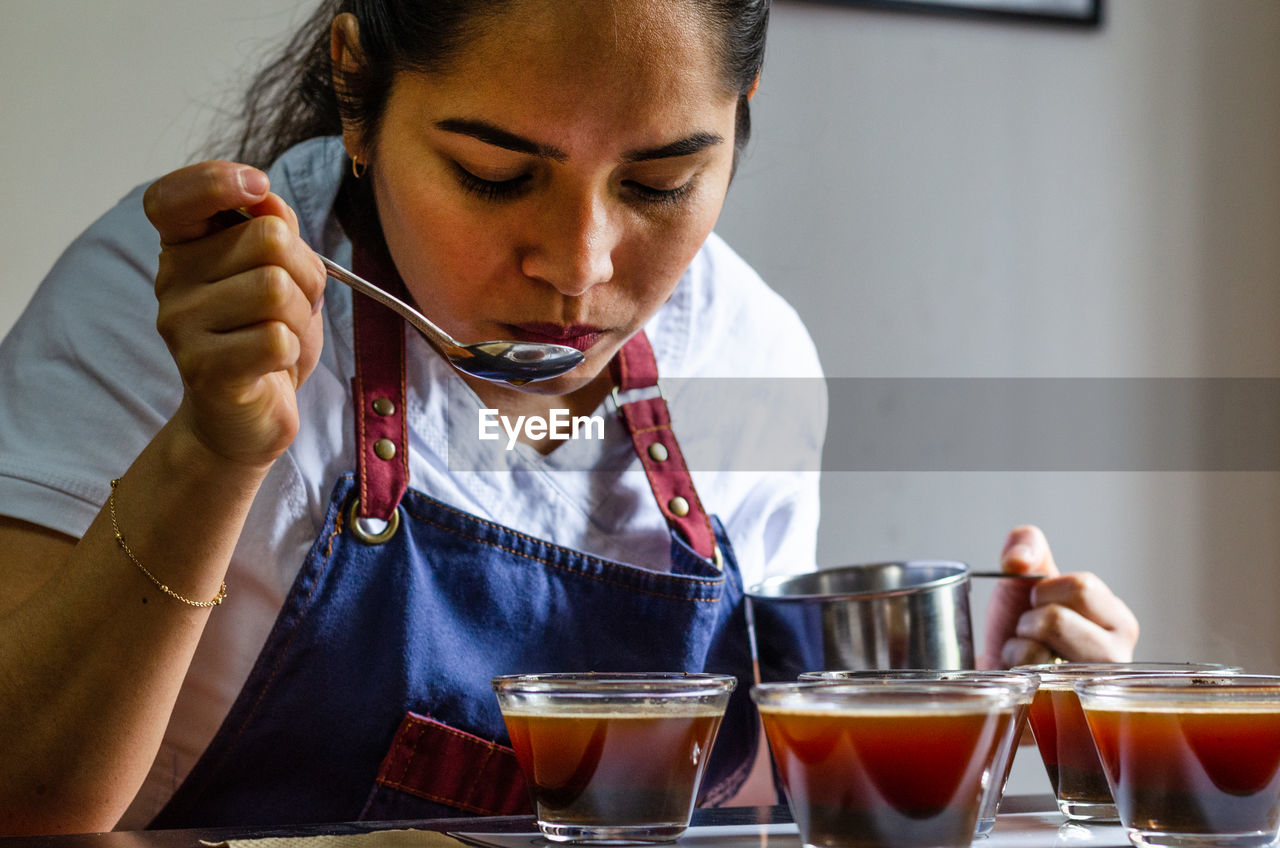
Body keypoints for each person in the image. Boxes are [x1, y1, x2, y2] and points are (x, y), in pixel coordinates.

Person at [0, 0, 1138, 835]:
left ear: (738, 117)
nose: (580, 268)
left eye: (657, 184)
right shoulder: (179, 308)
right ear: (356, 88)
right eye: (496, 174)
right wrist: (209, 450)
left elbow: (733, 803)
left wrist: (992, 712)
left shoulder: (750, 359)